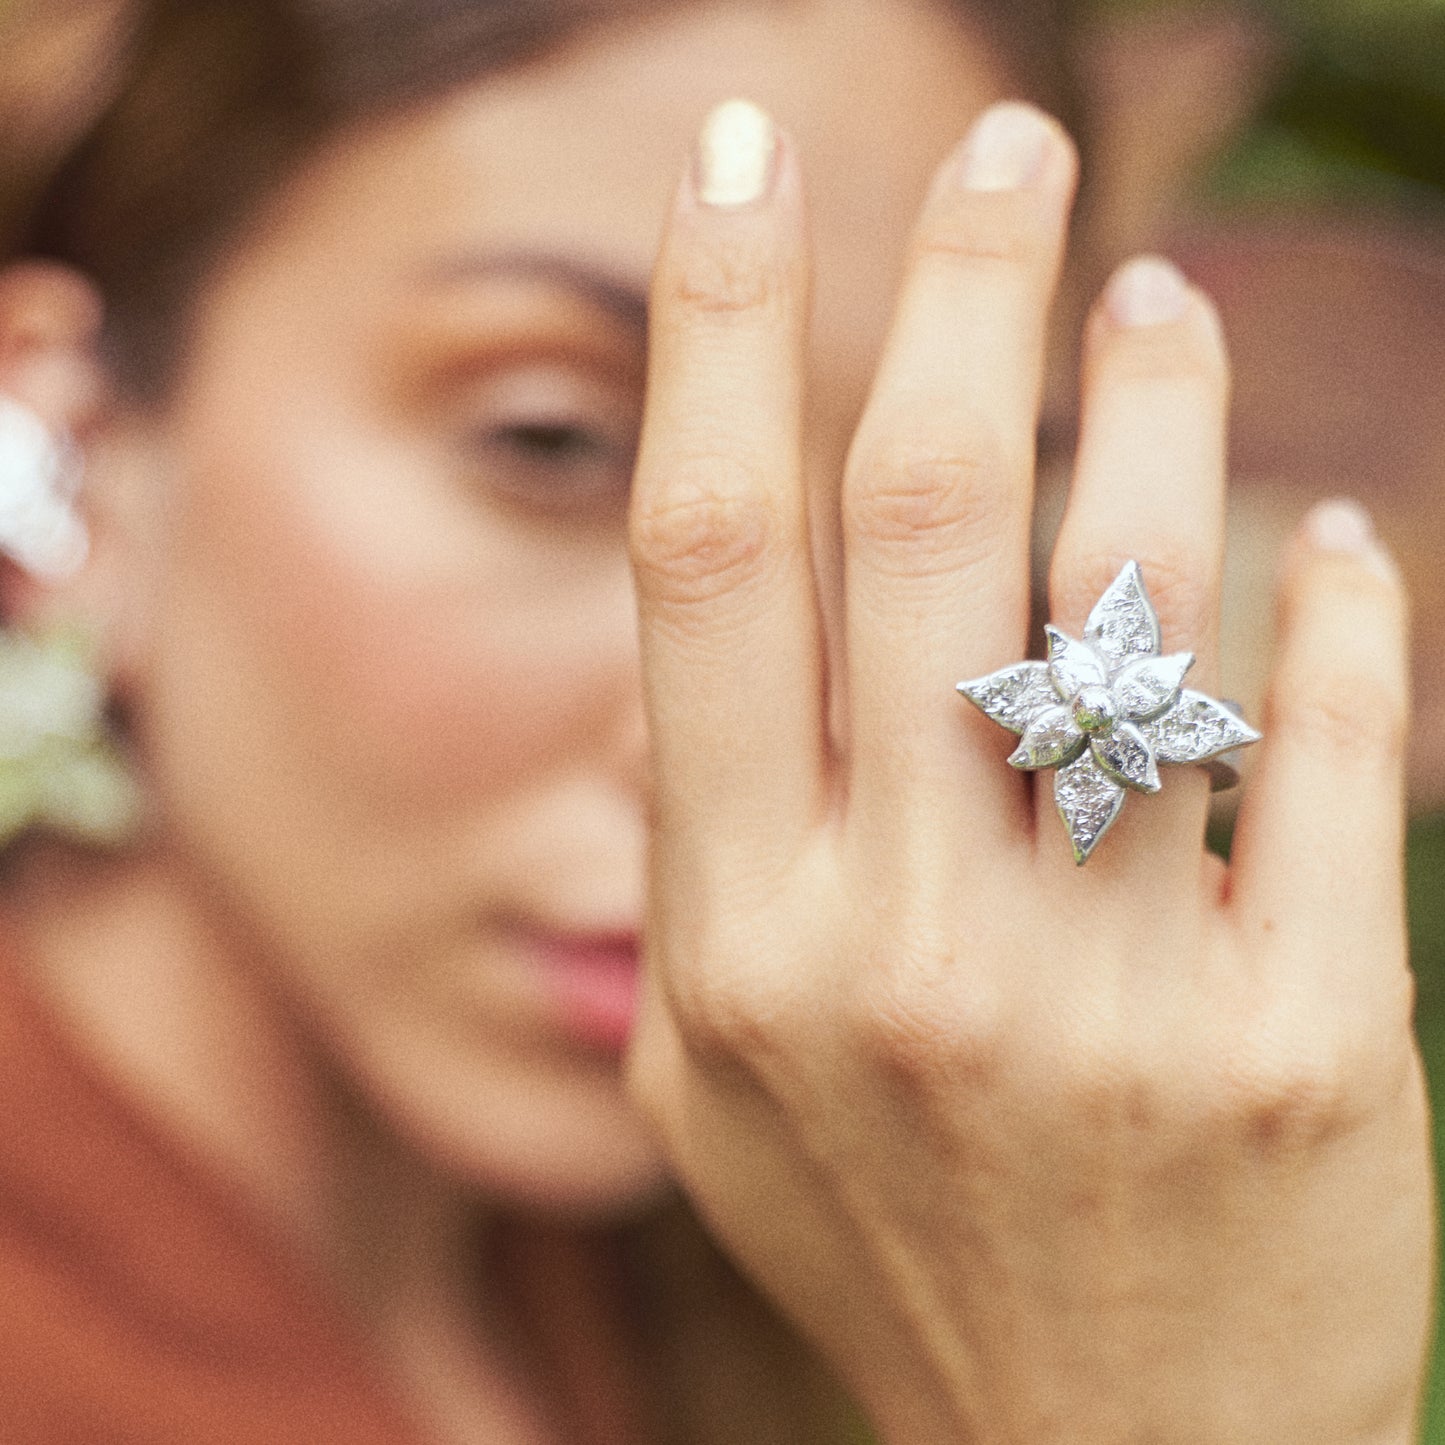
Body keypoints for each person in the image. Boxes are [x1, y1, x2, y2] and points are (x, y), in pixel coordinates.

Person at [0, 0, 1432, 1441]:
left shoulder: (750, 1279)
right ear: (72, 441)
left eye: (934, 519)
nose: (771, 723)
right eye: (550, 440)